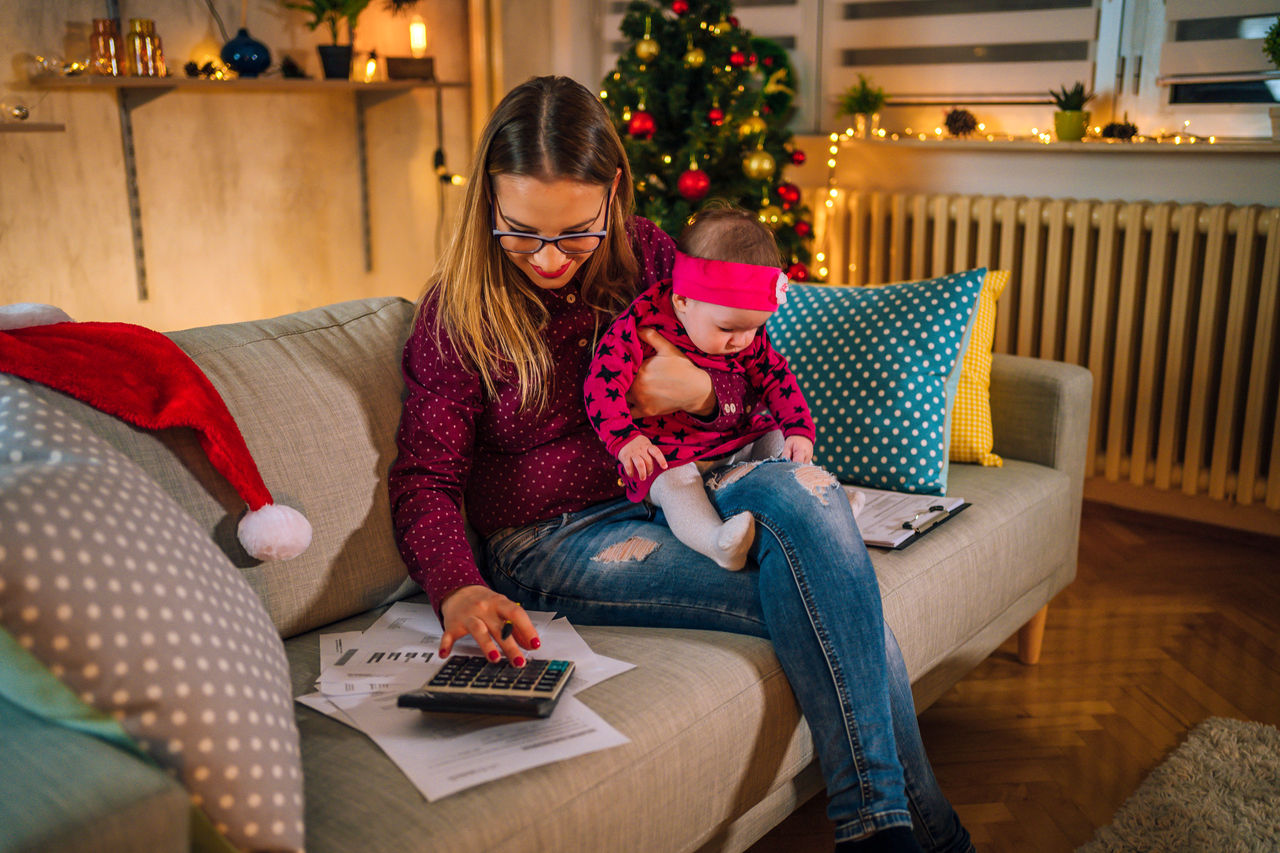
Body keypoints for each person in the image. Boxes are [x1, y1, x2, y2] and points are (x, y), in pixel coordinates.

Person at [388, 75, 973, 853]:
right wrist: (457, 584)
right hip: (558, 540)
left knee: (811, 489)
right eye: (523, 232)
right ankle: (908, 835)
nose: (552, 258)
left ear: (616, 194)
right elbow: (424, 477)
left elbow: (754, 382)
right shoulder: (457, 315)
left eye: (577, 232)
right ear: (487, 204)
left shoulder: (659, 258)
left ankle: (888, 832)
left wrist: (702, 395)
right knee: (832, 591)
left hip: (695, 482)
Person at [584, 206, 815, 570]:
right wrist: (626, 439)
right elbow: (602, 384)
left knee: (776, 442)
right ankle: (717, 542)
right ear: (683, 301)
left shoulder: (744, 334)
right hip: (671, 455)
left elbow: (777, 377)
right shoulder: (640, 324)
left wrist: (798, 430)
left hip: (733, 443)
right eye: (727, 329)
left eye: (754, 328)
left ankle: (815, 504)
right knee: (674, 484)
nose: (743, 340)